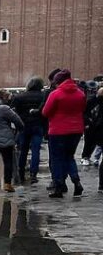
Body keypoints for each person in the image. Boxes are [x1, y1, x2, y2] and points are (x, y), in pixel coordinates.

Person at [42, 69, 86, 198]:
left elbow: (45, 112)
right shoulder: (80, 93)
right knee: (69, 156)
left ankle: (58, 186)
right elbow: (83, 109)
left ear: (58, 82)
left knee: (56, 158)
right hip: (76, 130)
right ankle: (77, 182)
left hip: (58, 131)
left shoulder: (56, 94)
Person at [12, 76, 47, 184]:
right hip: (38, 125)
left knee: (23, 150)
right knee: (36, 150)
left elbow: (14, 112)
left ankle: (21, 173)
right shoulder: (43, 96)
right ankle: (33, 174)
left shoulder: (19, 96)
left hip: (24, 126)